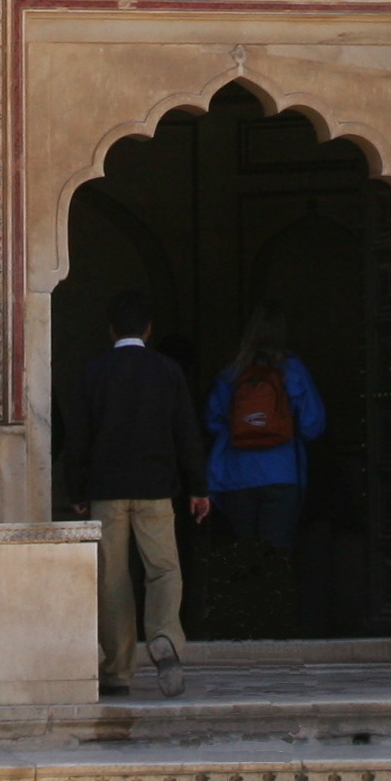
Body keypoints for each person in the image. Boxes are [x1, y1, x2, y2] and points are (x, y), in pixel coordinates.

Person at [59, 294, 203, 697]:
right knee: (163, 569)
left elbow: (78, 438)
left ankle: (118, 669)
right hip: (156, 489)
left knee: (113, 578)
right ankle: (164, 639)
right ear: (149, 329)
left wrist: (77, 490)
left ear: (111, 330)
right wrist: (199, 487)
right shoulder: (166, 371)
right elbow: (186, 433)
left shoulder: (94, 372)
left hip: (107, 491)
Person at [201, 308, 327, 547]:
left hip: (236, 475)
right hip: (281, 473)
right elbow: (313, 425)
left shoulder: (232, 372)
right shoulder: (293, 370)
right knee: (275, 555)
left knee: (244, 554)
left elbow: (212, 421)